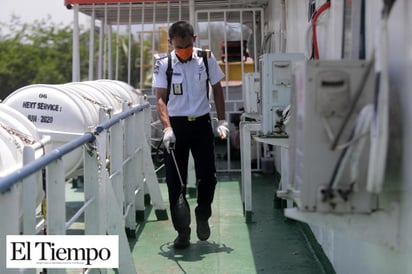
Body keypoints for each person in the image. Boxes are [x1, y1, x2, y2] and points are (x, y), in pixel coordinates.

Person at [152, 21, 229, 249]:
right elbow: (160, 98)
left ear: (194, 40)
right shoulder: (163, 64)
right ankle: (182, 232)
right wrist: (167, 128)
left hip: (202, 125)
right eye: (179, 47)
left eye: (187, 46)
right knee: (176, 182)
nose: (183, 51)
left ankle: (203, 213)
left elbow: (217, 88)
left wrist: (222, 120)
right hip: (176, 127)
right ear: (170, 43)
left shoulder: (205, 58)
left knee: (208, 177)